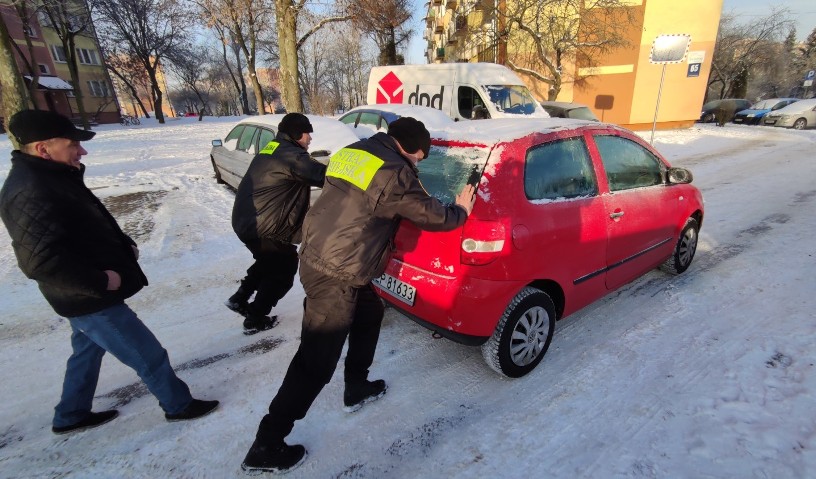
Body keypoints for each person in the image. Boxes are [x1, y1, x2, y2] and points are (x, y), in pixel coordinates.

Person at [240, 117, 476, 473]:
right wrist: (461, 210)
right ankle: (267, 443)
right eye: (421, 158)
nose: (419, 164)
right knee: (315, 362)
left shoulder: (356, 151)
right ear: (412, 149)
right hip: (335, 272)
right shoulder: (396, 173)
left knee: (369, 314)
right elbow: (432, 216)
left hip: (326, 255)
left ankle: (357, 386)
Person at [0, 110, 219, 435]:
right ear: (43, 148)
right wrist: (101, 280)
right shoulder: (30, 189)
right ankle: (178, 405)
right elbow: (40, 261)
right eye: (73, 144)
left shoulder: (52, 175)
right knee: (147, 353)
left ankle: (71, 414)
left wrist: (121, 244)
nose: (82, 151)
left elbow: (81, 226)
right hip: (88, 295)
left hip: (81, 296)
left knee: (86, 352)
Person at [227, 113, 326, 334]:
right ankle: (254, 319)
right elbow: (324, 175)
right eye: (307, 133)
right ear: (296, 134)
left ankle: (239, 298)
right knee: (282, 270)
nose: (310, 138)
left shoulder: (274, 148)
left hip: (248, 220)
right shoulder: (292, 156)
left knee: (267, 261)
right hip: (264, 227)